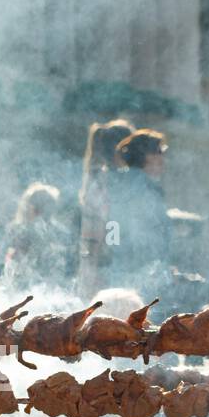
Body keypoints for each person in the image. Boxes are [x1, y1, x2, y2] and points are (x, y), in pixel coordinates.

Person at [106, 128, 171, 289]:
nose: (163, 159)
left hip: (120, 269)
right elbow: (153, 233)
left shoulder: (118, 182)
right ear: (147, 156)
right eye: (159, 152)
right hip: (143, 272)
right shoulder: (144, 186)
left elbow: (112, 226)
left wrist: (114, 255)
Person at [77, 119, 135, 294]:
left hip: (93, 256)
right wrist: (112, 253)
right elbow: (110, 222)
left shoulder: (98, 177)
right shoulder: (108, 180)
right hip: (101, 260)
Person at [0, 183, 74, 293]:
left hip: (44, 291)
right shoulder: (16, 230)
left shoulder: (58, 234)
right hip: (21, 289)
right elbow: (3, 265)